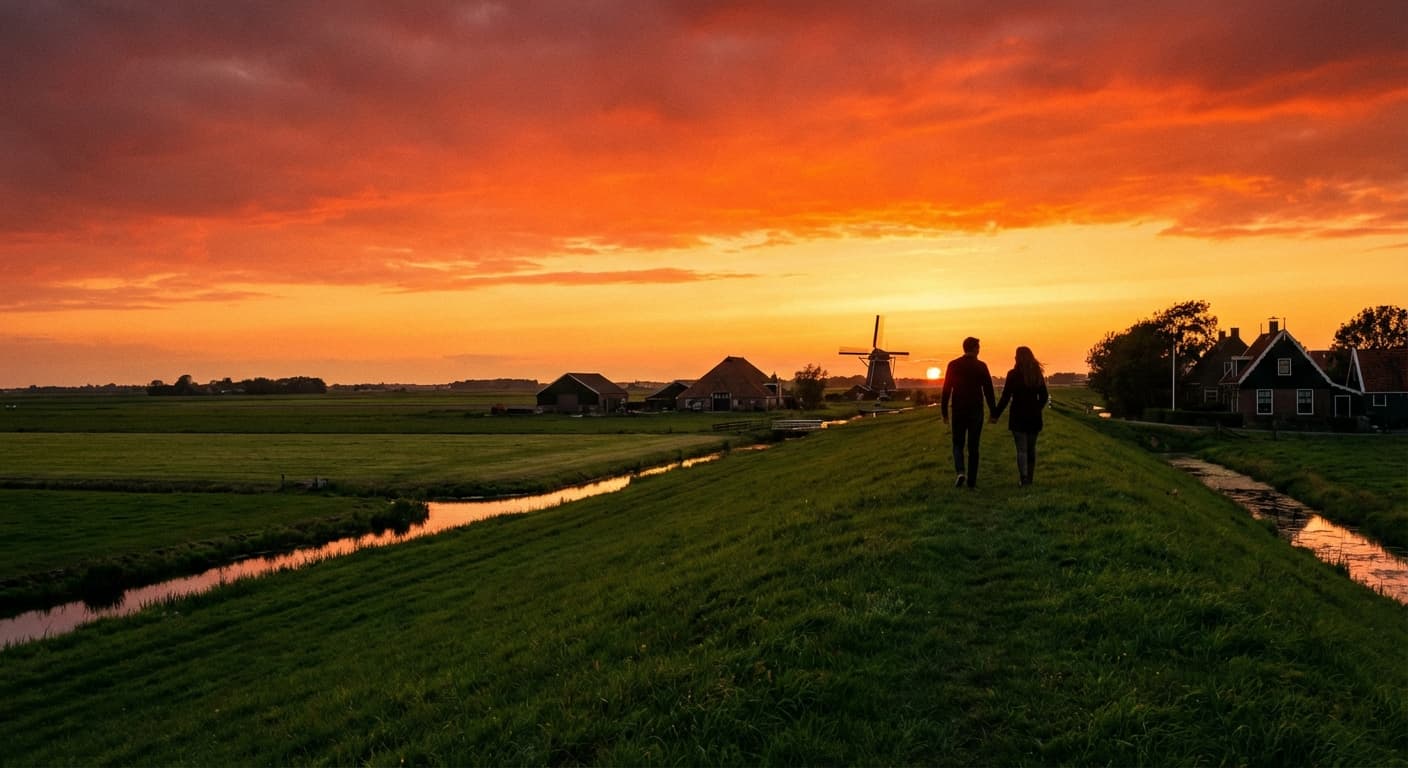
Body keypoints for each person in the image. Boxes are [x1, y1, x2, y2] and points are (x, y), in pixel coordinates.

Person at [941, 336, 997, 488]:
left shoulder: (953, 365)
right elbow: (988, 391)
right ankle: (972, 480)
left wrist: (944, 411)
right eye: (978, 347)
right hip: (975, 410)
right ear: (975, 349)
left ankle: (960, 471)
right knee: (974, 446)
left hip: (958, 410)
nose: (979, 349)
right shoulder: (981, 366)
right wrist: (993, 411)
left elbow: (946, 389)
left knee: (957, 443)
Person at [991, 346, 1050, 486]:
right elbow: (1044, 396)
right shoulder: (1037, 374)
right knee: (1031, 449)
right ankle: (1030, 478)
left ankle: (1023, 478)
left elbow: (1005, 397)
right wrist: (1037, 408)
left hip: (1018, 415)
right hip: (1034, 417)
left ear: (1017, 358)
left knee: (1021, 450)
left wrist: (996, 415)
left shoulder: (1012, 374)